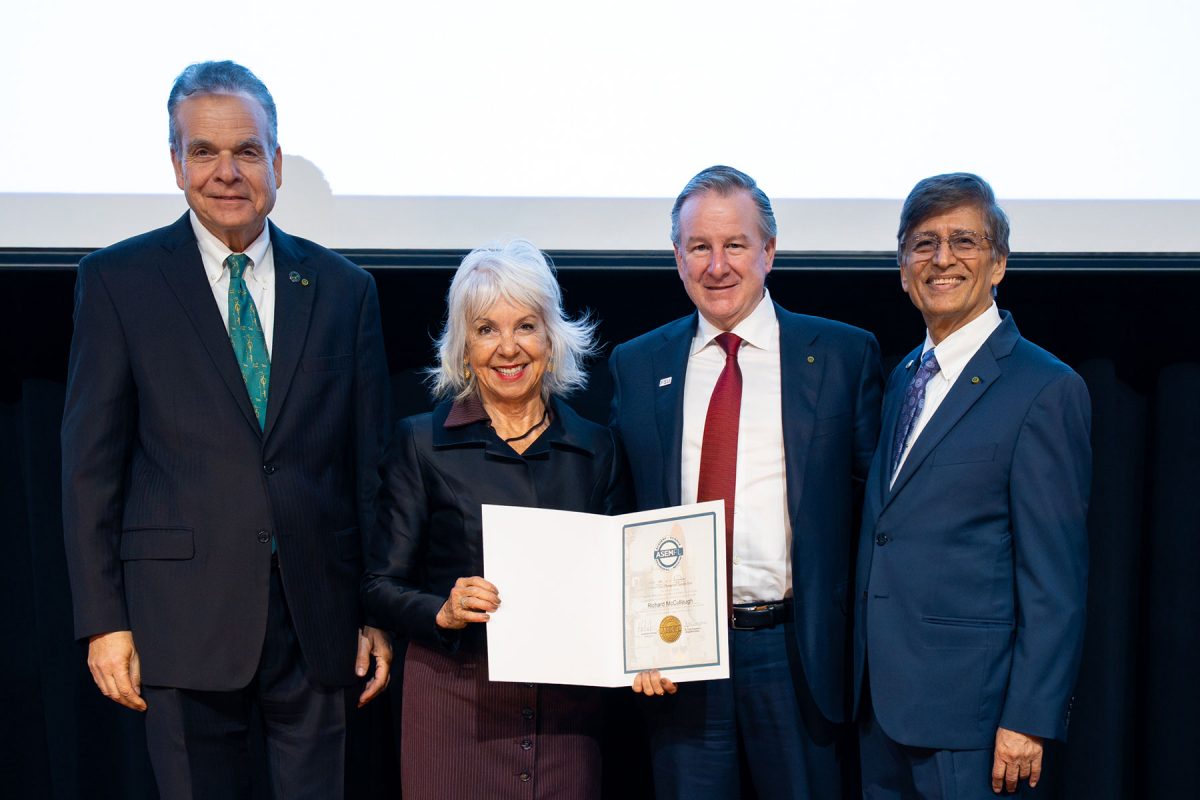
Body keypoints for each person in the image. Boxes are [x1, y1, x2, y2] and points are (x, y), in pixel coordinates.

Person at [61, 60, 392, 798]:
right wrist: (103, 622)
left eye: (246, 150)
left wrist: (375, 611)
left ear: (276, 162)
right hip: (179, 623)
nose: (227, 172)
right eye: (204, 151)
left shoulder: (344, 289)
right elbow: (90, 470)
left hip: (319, 623)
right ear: (176, 163)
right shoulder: (118, 282)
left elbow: (366, 469)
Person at [608, 165, 882, 798]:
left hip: (796, 654)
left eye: (735, 244)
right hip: (678, 653)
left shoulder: (841, 355)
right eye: (699, 247)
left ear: (769, 251)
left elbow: (876, 514)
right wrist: (634, 638)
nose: (717, 266)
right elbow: (619, 510)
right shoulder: (637, 363)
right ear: (677, 258)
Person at [853, 173, 1091, 798]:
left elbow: (1055, 580)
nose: (942, 259)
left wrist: (1030, 717)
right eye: (923, 243)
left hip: (977, 723)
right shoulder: (903, 376)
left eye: (964, 240)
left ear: (998, 263)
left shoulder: (1044, 388)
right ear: (902, 268)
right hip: (881, 709)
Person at [362, 239, 625, 799]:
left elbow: (624, 584)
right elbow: (379, 586)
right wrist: (443, 610)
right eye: (486, 329)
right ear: (464, 348)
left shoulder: (595, 448)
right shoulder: (421, 443)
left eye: (526, 326)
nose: (508, 347)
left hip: (567, 709)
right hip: (456, 699)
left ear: (552, 340)